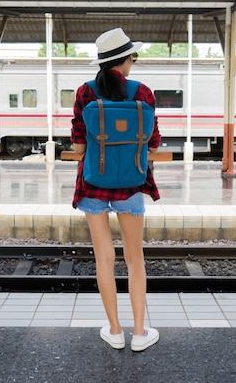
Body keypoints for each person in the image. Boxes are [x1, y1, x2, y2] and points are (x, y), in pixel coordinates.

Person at [70, 28, 161, 352]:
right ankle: (139, 333)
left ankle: (114, 330)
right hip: (132, 184)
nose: (133, 62)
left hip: (94, 183)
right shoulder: (143, 92)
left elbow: (79, 147)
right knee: (135, 259)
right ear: (124, 61)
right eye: (132, 57)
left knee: (104, 259)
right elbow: (153, 142)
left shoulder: (85, 92)